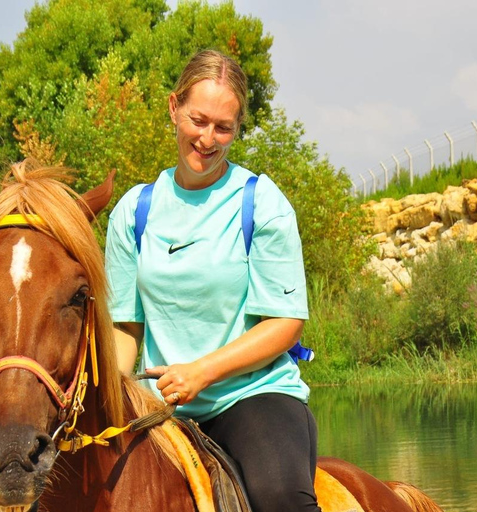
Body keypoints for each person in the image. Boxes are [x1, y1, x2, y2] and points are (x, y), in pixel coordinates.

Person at [105, 49, 320, 512]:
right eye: (198, 120)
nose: (207, 139)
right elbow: (125, 331)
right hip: (157, 411)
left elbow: (285, 324)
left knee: (281, 499)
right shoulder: (133, 212)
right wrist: (111, 399)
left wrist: (201, 372)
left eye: (223, 127)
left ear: (237, 129)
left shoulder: (262, 203)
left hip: (252, 397)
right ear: (173, 108)